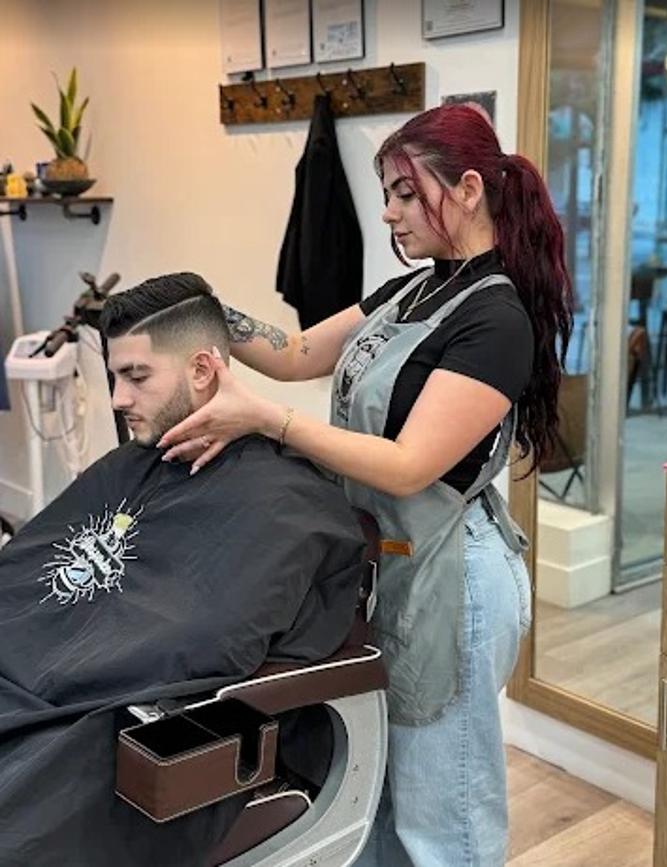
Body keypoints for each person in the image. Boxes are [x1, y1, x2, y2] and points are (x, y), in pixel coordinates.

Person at [158, 104, 574, 866]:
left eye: (405, 193)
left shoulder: (496, 320)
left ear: (469, 189)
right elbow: (296, 351)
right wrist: (201, 309)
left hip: (453, 581)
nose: (388, 212)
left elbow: (409, 463)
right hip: (392, 568)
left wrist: (267, 420)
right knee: (381, 795)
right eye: (387, 194)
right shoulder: (408, 293)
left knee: (443, 817)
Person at [0, 272, 366, 867]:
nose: (118, 399)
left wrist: (63, 667)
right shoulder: (133, 464)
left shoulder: (286, 505)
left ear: (201, 369)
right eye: (115, 376)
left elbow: (201, 645)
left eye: (137, 376)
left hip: (106, 732)